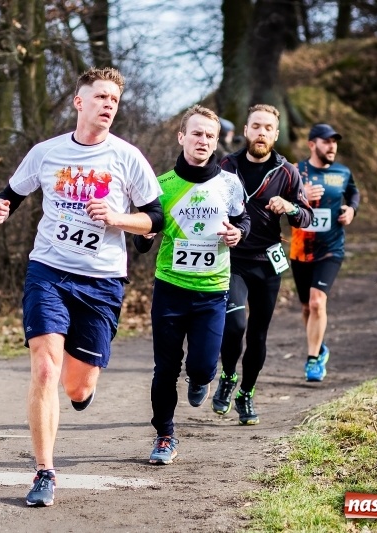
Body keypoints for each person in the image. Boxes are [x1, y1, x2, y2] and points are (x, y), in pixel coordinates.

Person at [0, 67, 164, 507]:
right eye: (100, 96)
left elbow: (155, 219)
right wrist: (1, 206)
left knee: (77, 388)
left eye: (114, 100)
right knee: (45, 368)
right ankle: (44, 471)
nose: (108, 105)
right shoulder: (46, 153)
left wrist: (118, 218)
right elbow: (13, 191)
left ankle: (81, 381)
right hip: (48, 271)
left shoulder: (127, 158)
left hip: (101, 281)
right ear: (78, 102)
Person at [133, 105, 249, 465]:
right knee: (165, 368)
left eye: (209, 136)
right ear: (181, 137)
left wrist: (237, 233)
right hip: (170, 288)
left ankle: (202, 379)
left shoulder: (229, 183)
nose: (202, 140)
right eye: (196, 133)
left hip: (212, 291)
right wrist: (147, 236)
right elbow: (142, 237)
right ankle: (164, 434)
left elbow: (243, 219)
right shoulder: (162, 185)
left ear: (217, 142)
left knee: (200, 367)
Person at [210, 104, 313, 425]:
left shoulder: (287, 173)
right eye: (256, 126)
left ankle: (246, 394)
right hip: (234, 260)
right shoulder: (226, 165)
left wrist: (291, 207)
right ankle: (227, 376)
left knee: (257, 334)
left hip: (268, 263)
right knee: (236, 324)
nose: (261, 133)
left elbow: (307, 217)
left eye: (268, 128)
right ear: (246, 130)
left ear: (276, 134)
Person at [289, 123, 360, 382]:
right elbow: (284, 203)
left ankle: (313, 359)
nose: (332, 146)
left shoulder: (342, 172)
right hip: (301, 250)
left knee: (318, 302)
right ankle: (320, 345)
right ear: (312, 144)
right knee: (307, 306)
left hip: (331, 248)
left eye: (334, 142)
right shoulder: (297, 171)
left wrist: (351, 209)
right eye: (326, 141)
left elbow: (353, 193)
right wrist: (300, 194)